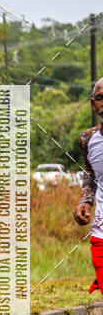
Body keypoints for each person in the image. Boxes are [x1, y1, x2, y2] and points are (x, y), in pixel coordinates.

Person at [74, 77, 103, 294]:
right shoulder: (87, 139)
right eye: (101, 98)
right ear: (94, 104)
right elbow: (92, 173)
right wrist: (85, 200)